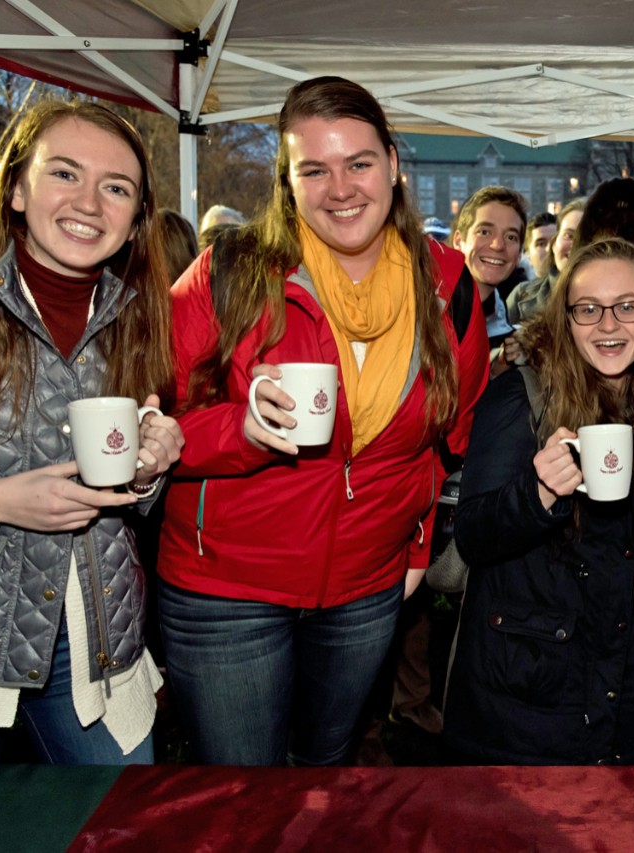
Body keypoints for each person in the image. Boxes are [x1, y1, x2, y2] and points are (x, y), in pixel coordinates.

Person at [158, 76, 488, 767]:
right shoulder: (231, 271)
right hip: (227, 589)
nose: (341, 189)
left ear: (394, 164)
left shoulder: (449, 286)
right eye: (314, 169)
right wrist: (239, 431)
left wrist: (419, 546)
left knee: (325, 772)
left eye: (359, 163)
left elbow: (448, 444)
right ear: (289, 179)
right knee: (244, 789)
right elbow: (149, 424)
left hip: (367, 587)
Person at [0, 101, 182, 768]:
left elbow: (127, 491)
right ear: (16, 188)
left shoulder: (139, 321)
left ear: (135, 220)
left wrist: (149, 466)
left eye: (116, 187)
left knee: (117, 826)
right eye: (64, 173)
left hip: (93, 647)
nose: (89, 202)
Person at [443, 237, 634, 764]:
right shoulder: (523, 394)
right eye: (588, 309)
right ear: (566, 319)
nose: (609, 325)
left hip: (620, 692)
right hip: (524, 700)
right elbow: (474, 535)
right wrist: (539, 492)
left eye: (628, 307)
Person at [450, 186, 527, 374]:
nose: (498, 245)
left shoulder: (504, 332)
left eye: (510, 237)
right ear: (459, 241)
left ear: (519, 255)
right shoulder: (422, 305)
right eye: (484, 232)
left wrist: (498, 368)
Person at [507, 198, 584, 326]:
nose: (575, 244)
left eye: (585, 237)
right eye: (568, 235)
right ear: (555, 245)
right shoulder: (521, 296)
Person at [523, 211, 557, 280]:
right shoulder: (521, 291)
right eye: (541, 244)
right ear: (528, 254)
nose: (549, 249)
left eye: (555, 241)